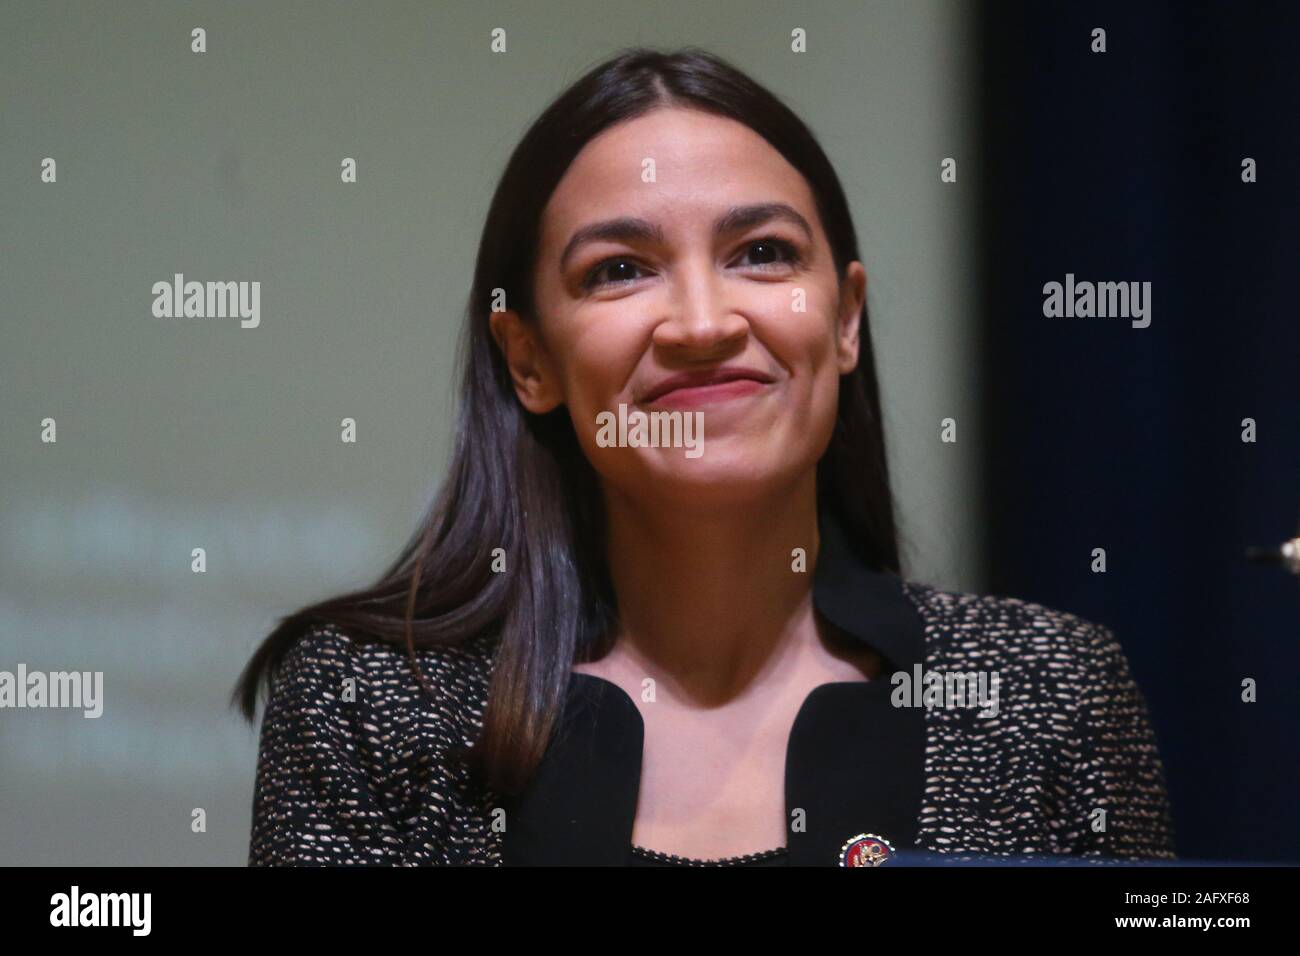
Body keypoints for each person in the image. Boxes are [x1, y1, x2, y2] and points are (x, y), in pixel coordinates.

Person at [232, 46, 1176, 867]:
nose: (702, 323)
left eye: (762, 253)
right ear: (528, 359)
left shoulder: (1048, 695)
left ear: (844, 320)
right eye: (620, 270)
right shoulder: (366, 704)